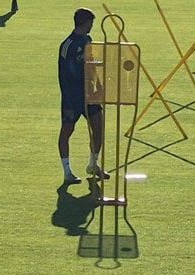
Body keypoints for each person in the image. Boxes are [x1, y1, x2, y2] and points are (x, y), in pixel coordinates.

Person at [58, 7, 109, 185]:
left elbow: (91, 64)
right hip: (72, 97)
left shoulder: (87, 40)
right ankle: (67, 171)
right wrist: (68, 103)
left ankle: (93, 164)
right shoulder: (68, 45)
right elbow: (64, 75)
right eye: (91, 23)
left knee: (98, 128)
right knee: (67, 131)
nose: (91, 27)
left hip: (90, 94)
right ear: (85, 22)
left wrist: (99, 85)